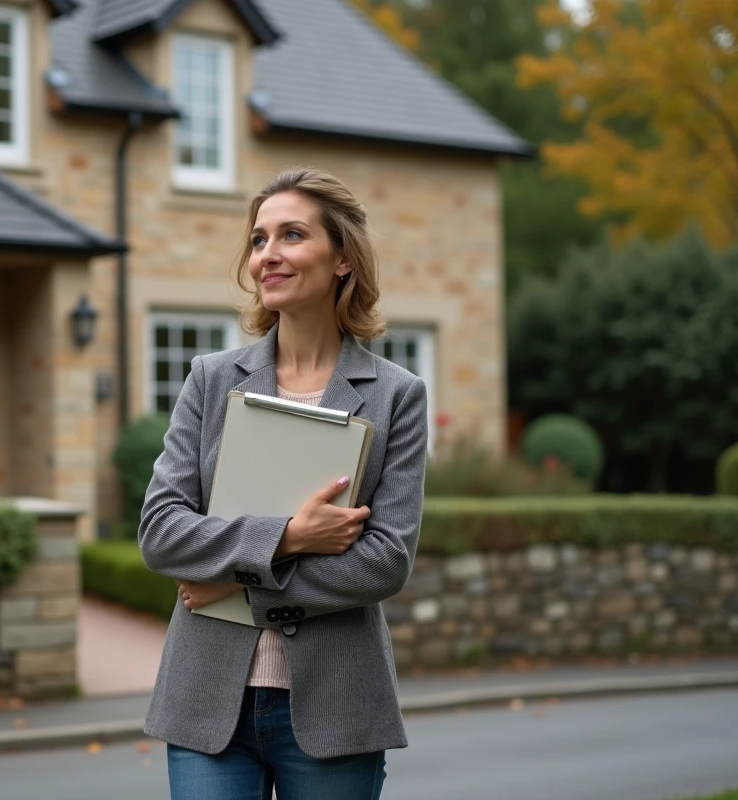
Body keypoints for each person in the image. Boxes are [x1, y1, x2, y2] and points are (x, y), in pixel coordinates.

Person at [137, 167, 429, 800]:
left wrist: (228, 579)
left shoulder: (397, 395)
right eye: (258, 238)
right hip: (207, 700)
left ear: (343, 256)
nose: (267, 254)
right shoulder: (211, 380)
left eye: (291, 235)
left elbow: (383, 565)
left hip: (338, 706)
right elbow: (161, 534)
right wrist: (291, 538)